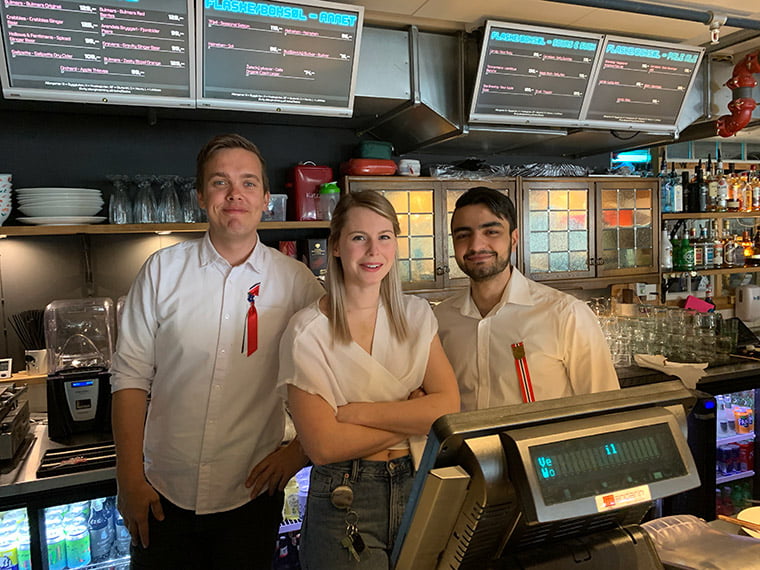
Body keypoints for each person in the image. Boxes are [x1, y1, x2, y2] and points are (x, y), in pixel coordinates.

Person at [110, 133, 324, 569]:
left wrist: (299, 450)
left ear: (266, 198)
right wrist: (129, 478)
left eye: (248, 183)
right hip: (161, 495)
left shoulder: (298, 281)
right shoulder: (161, 271)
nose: (234, 195)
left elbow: (332, 375)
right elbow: (129, 378)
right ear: (200, 196)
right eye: (219, 182)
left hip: (250, 497)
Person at [277, 191, 460, 569]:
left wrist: (355, 412)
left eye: (384, 236)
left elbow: (447, 409)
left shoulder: (416, 316)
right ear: (337, 246)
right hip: (344, 493)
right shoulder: (307, 332)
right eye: (359, 237)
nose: (373, 250)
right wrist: (411, 417)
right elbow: (324, 446)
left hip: (419, 484)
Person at [434, 186, 619, 411]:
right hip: (464, 447)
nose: (476, 245)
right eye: (463, 235)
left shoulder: (565, 314)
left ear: (514, 239)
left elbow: (605, 409)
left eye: (491, 232)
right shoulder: (441, 320)